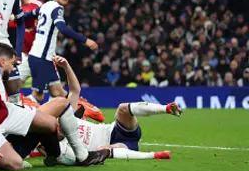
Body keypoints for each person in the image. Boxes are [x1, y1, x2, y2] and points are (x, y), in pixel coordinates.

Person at [0, 23, 110, 171]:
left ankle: (80, 156)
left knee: (50, 123)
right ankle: (16, 151)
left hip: (3, 111)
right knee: (15, 164)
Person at [41, 55, 180, 162]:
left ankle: (166, 108)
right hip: (117, 146)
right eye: (54, 130)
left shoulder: (67, 117)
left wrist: (66, 65)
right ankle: (154, 155)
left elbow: (75, 90)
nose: (57, 127)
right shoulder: (65, 147)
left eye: (56, 124)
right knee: (104, 150)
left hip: (116, 129)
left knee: (122, 108)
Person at [25, 0, 98, 103]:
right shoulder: (57, 8)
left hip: (45, 58)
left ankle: (74, 113)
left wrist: (15, 17)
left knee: (58, 92)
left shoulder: (45, 5)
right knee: (38, 96)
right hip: (40, 57)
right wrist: (85, 40)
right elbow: (62, 28)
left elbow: (30, 14)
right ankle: (17, 109)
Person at [8, 0, 42, 85]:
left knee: (52, 90)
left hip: (40, 54)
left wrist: (14, 18)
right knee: (13, 86)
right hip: (23, 54)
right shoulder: (11, 6)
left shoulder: (37, 5)